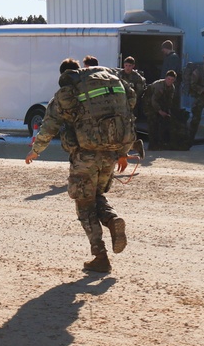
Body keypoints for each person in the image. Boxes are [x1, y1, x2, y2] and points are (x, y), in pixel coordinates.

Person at [25, 58, 135, 274]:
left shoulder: (67, 94)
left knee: (84, 205)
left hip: (85, 156)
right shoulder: (104, 85)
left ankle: (100, 256)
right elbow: (126, 112)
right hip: (111, 154)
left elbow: (49, 126)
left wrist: (35, 151)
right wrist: (123, 152)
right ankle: (112, 220)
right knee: (97, 196)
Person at [146, 70, 177, 150]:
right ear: (165, 78)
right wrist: (160, 111)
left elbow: (169, 100)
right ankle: (152, 145)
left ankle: (160, 143)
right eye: (168, 79)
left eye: (172, 80)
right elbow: (154, 100)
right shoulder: (159, 86)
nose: (170, 81)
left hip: (159, 102)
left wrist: (167, 111)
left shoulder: (172, 88)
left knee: (162, 122)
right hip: (149, 102)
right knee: (152, 122)